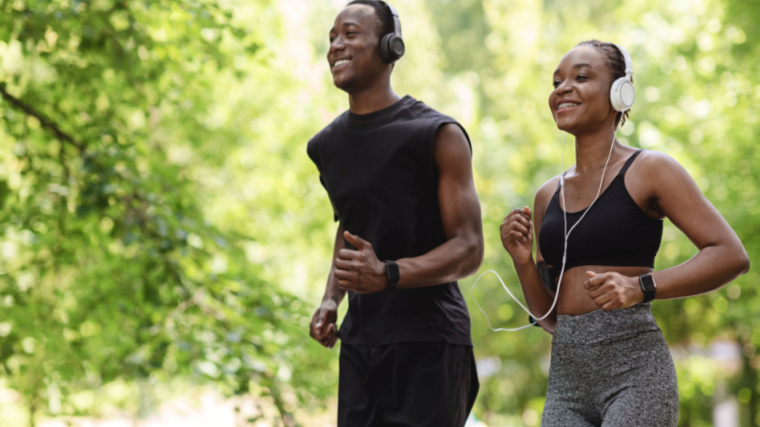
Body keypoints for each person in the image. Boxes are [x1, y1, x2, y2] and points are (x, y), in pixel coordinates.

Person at [500, 40, 750, 426]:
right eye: (556, 82)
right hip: (566, 383)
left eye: (581, 77)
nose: (562, 88)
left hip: (635, 373)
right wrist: (521, 261)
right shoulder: (547, 194)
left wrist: (641, 288)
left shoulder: (651, 169)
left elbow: (730, 255)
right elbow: (549, 318)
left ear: (621, 91)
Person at [306, 1, 484, 425]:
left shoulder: (437, 134)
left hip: (430, 343)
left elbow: (470, 248)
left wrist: (387, 273)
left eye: (349, 33)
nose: (335, 45)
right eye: (332, 37)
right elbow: (350, 225)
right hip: (360, 346)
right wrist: (332, 298)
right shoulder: (326, 146)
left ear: (390, 47)